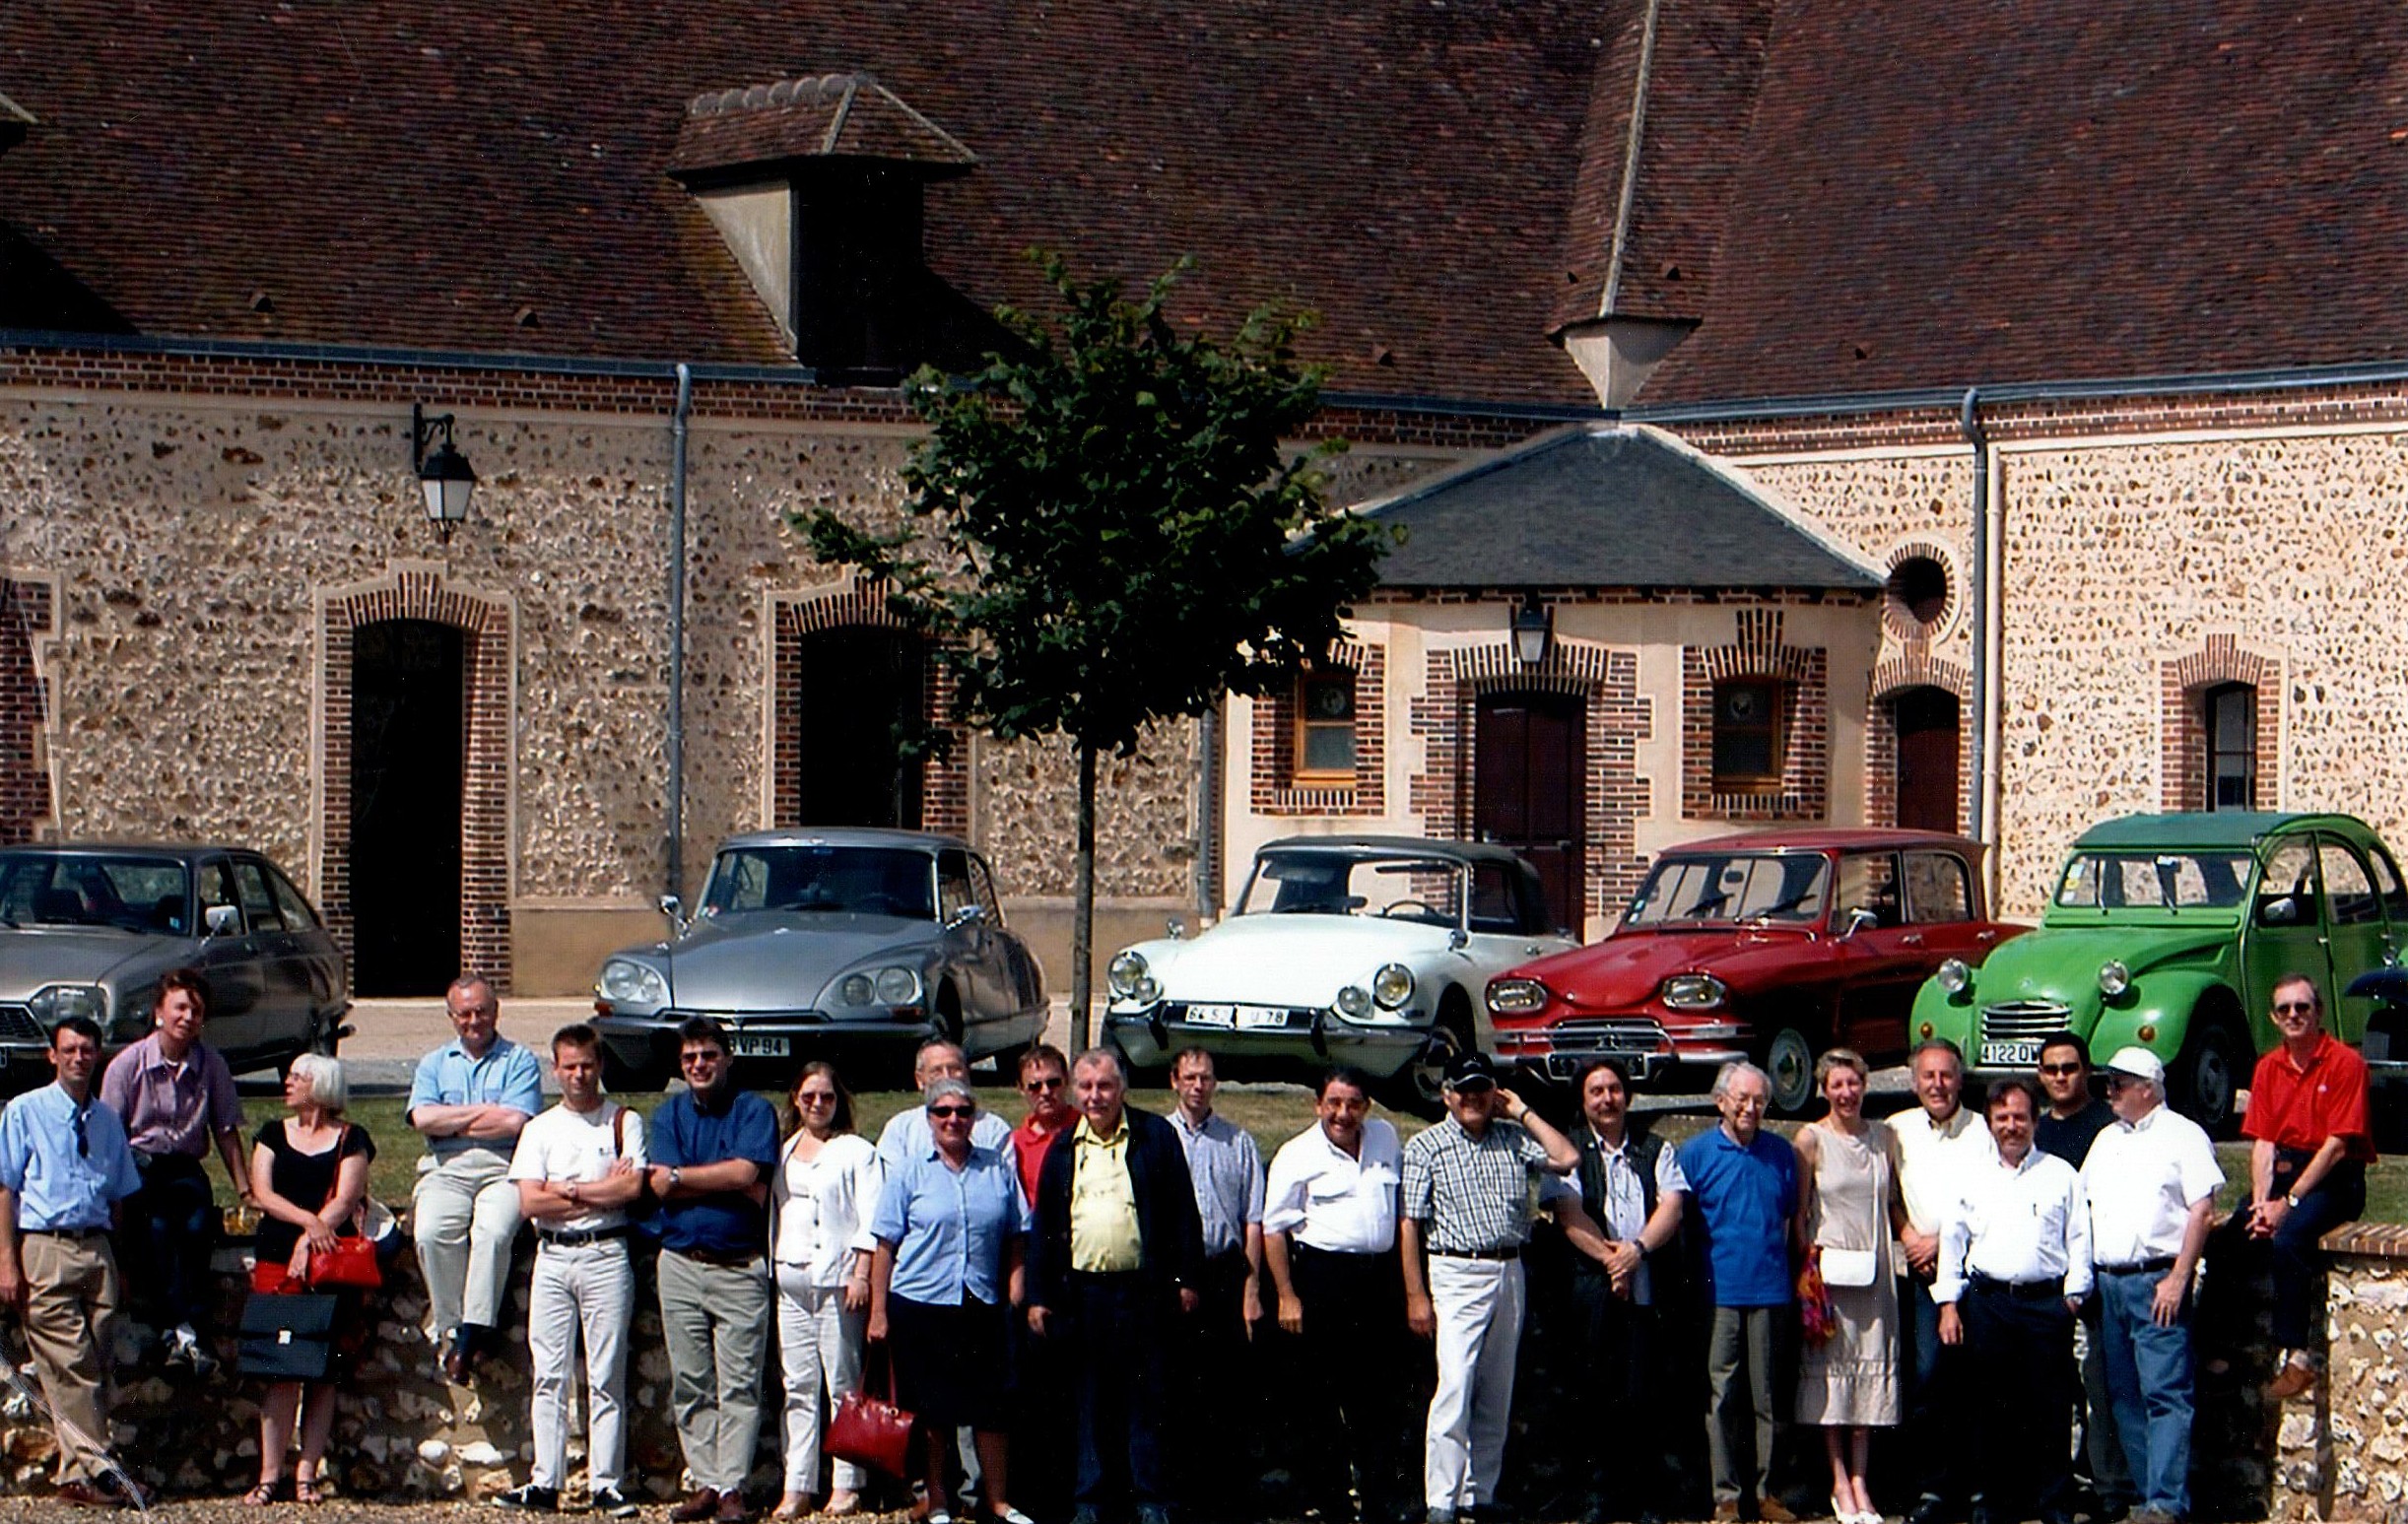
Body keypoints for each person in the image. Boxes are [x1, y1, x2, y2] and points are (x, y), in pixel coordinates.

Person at [1398, 1052, 1580, 1524]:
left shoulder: (1513, 1138)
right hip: (1456, 1270)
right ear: (1447, 1094)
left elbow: (1566, 1157)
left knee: (1496, 1387)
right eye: (1463, 1089)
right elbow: (1410, 1224)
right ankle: (1441, 1500)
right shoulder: (1426, 1145)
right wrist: (1416, 1294)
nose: (1472, 1097)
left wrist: (1520, 1110)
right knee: (1455, 1384)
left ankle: (1478, 1494)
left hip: (1509, 1268)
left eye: (1482, 1088)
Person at [1027, 1048, 1203, 1524]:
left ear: (1122, 1087)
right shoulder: (1064, 1147)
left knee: (1146, 1398)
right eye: (1085, 1087)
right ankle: (1090, 1498)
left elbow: (1183, 1214)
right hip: (1081, 1295)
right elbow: (1045, 1226)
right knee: (1088, 1401)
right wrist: (1039, 1295)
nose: (1095, 1096)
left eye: (1104, 1086)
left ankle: (1149, 1497)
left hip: (1143, 1292)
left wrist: (1186, 1280)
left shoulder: (1154, 1137)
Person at [497, 1025, 648, 1517]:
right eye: (569, 1067)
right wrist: (592, 1189)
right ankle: (546, 1480)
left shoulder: (622, 1122)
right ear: (556, 1069)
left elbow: (629, 1191)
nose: (578, 1075)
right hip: (554, 1255)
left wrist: (570, 1191)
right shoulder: (539, 1129)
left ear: (598, 1066)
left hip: (606, 1254)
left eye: (586, 1065)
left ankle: (607, 1482)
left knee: (605, 1374)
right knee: (549, 1373)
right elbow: (529, 1200)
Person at [0, 1016, 150, 1508]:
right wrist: (7, 1259)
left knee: (92, 1363)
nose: (78, 1058)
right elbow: (7, 1189)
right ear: (52, 1055)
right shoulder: (25, 1111)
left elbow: (121, 1195)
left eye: (87, 1050)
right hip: (45, 1245)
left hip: (97, 1247)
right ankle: (108, 1471)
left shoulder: (106, 1120)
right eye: (69, 1049)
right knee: (72, 1363)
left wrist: (120, 1261)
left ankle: (75, 1474)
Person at [869, 1077, 1034, 1524]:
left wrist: (1016, 1285)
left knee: (992, 1408)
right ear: (929, 1119)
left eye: (962, 1112)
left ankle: (997, 1500)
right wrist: (879, 1312)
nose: (953, 1120)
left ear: (974, 1117)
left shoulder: (996, 1168)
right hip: (921, 1302)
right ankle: (938, 1498)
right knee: (932, 1411)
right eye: (943, 1112)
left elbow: (1018, 1233)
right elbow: (885, 1244)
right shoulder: (909, 1171)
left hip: (980, 1299)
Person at [1933, 1077, 2089, 1524]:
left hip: (2046, 1304)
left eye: (2020, 1116)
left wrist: (2074, 1297)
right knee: (1991, 1408)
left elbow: (2080, 1239)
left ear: (2035, 1121)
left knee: (2051, 1407)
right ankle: (1996, 1503)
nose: (2011, 1125)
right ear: (1989, 1123)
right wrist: (1948, 1304)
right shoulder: (1972, 1178)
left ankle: (2055, 1504)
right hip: (1988, 1300)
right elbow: (1953, 1242)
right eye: (2002, 1118)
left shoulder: (2062, 1175)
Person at [647, 1018, 782, 1524]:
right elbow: (660, 1185)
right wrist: (720, 1178)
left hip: (739, 1266)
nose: (699, 1065)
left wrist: (684, 1177)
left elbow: (749, 1174)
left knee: (740, 1385)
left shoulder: (753, 1110)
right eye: (689, 1058)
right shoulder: (668, 1116)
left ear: (728, 1058)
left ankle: (732, 1488)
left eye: (708, 1055)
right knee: (691, 1381)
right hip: (680, 1263)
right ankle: (704, 1481)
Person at [1263, 1067, 1410, 1524]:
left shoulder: (1385, 1138)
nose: (1343, 1114)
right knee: (1321, 1403)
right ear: (1317, 1105)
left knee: (1379, 1401)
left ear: (1367, 1106)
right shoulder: (1297, 1153)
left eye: (1353, 1104)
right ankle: (1332, 1505)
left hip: (1378, 1283)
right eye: (1333, 1103)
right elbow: (1274, 1229)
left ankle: (1379, 1500)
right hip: (1323, 1280)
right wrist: (1287, 1294)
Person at [2081, 1047, 2220, 1524]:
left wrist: (2180, 1277)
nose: (2110, 1093)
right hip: (2109, 1284)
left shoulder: (2184, 1137)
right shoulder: (2105, 1140)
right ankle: (2148, 1498)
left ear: (2147, 1087)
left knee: (2165, 1394)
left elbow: (2202, 1211)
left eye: (2118, 1084)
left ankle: (2166, 1501)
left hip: (2156, 1280)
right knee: (2123, 1398)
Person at [98, 966, 251, 1375]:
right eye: (180, 1008)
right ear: (159, 1013)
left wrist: (245, 1190)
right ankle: (180, 1328)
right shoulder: (127, 1065)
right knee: (158, 1233)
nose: (188, 1018)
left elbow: (225, 1130)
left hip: (184, 1167)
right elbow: (108, 1136)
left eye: (196, 1011)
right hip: (139, 1167)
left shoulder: (211, 1066)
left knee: (200, 1230)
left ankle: (185, 1329)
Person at [243, 1053, 374, 1507]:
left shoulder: (352, 1138)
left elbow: (347, 1196)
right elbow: (262, 1193)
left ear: (319, 1085)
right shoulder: (272, 1134)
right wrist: (308, 1226)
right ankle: (269, 1473)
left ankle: (306, 1475)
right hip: (277, 1260)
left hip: (327, 1268)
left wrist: (314, 1237)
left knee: (322, 1372)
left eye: (297, 1077)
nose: (289, 1083)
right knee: (279, 1370)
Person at [1563, 1057, 1688, 1524]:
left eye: (1614, 1089)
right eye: (1596, 1091)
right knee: (1595, 1393)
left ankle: (1644, 1499)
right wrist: (1611, 1261)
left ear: (1628, 1096)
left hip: (1647, 1286)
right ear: (1583, 1100)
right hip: (1594, 1289)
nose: (1606, 1099)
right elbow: (1569, 1214)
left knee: (1644, 1395)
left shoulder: (1655, 1149)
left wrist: (1636, 1252)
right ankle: (1599, 1498)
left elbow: (1671, 1206)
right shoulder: (1571, 1149)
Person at [1676, 1061, 1800, 1524]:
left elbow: (1789, 1218)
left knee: (1769, 1397)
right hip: (1718, 1291)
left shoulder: (1781, 1153)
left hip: (1770, 1289)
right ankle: (1725, 1496)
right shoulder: (1694, 1154)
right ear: (1720, 1101)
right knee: (1722, 1395)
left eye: (1759, 1100)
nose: (1750, 1108)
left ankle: (1768, 1493)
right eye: (1742, 1099)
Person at [2241, 974, 2373, 1403]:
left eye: (2302, 1007)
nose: (2294, 1016)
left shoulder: (2345, 1063)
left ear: (2318, 1013)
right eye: (2285, 1010)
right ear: (2274, 1019)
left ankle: (2298, 1357)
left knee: (2292, 1238)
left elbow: (2337, 1146)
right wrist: (2261, 1203)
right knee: (2231, 1237)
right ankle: (2223, 1351)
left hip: (2334, 1176)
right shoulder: (2267, 1067)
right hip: (2283, 1171)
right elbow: (2262, 1141)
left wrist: (2288, 1204)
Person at [407, 973, 542, 1382]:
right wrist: (485, 1111)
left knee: (493, 1233)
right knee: (431, 1232)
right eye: (464, 1013)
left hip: (503, 1167)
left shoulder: (520, 1060)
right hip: (445, 1169)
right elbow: (421, 1118)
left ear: (495, 1011)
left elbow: (516, 1121)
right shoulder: (434, 1063)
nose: (473, 1020)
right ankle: (452, 1327)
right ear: (451, 1016)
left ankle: (471, 1336)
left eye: (481, 1011)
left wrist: (451, 1122)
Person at [1790, 1050, 1902, 1524]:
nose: (1846, 1093)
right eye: (1837, 1085)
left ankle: (1861, 1479)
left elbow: (1894, 1200)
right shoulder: (1810, 1139)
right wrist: (1809, 1275)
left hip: (1874, 1273)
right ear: (1824, 1089)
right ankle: (1838, 1480)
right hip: (1829, 1274)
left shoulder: (1884, 1137)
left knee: (1868, 1378)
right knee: (1832, 1378)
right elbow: (1799, 1216)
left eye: (1853, 1084)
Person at [769, 1062, 883, 1520]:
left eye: (827, 1097)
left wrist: (861, 1273)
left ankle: (847, 1483)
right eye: (809, 1096)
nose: (817, 1104)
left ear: (839, 1102)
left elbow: (871, 1218)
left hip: (838, 1283)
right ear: (796, 1098)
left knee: (841, 1385)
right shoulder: (783, 1150)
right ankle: (797, 1485)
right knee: (797, 1386)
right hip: (792, 1282)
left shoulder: (856, 1151)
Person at [1892, 1038, 1993, 1524]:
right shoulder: (1898, 1130)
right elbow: (1888, 1194)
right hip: (1919, 1276)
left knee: (1974, 1384)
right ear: (1914, 1082)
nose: (1938, 1085)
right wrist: (1909, 1235)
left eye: (1947, 1075)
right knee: (1927, 1381)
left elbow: (1992, 1197)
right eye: (1928, 1076)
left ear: (1960, 1078)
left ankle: (1977, 1490)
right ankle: (1932, 1490)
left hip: (1971, 1273)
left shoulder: (1982, 1130)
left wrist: (1940, 1242)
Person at [1165, 1047, 1268, 1515]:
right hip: (1174, 1272)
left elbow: (1253, 1219)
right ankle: (1179, 1489)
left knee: (1225, 1386)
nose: (1197, 1086)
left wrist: (1250, 1290)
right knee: (1177, 1383)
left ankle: (1225, 1493)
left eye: (1205, 1077)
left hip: (1226, 1271)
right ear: (1174, 1081)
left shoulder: (1237, 1141)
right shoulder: (1156, 1137)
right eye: (1189, 1077)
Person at [2033, 1035, 2130, 1522]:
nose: (2060, 1077)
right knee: (2053, 1394)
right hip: (2043, 1284)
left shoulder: (2106, 1128)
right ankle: (2059, 1483)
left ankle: (2109, 1485)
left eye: (2069, 1068)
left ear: (2085, 1070)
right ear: (2039, 1075)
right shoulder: (2034, 1131)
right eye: (2051, 1069)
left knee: (2099, 1391)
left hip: (2094, 1279)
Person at [876, 1038, 1017, 1169]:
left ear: (967, 1073)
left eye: (955, 1069)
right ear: (919, 1079)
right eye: (936, 1071)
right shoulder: (900, 1130)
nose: (947, 1077)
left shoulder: (994, 1129)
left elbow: (1007, 1183)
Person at [1011, 1045, 1075, 1204]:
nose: (1045, 1092)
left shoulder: (1088, 1130)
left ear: (1066, 1081)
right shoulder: (1015, 1145)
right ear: (1021, 1089)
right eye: (1035, 1086)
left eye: (1053, 1083)